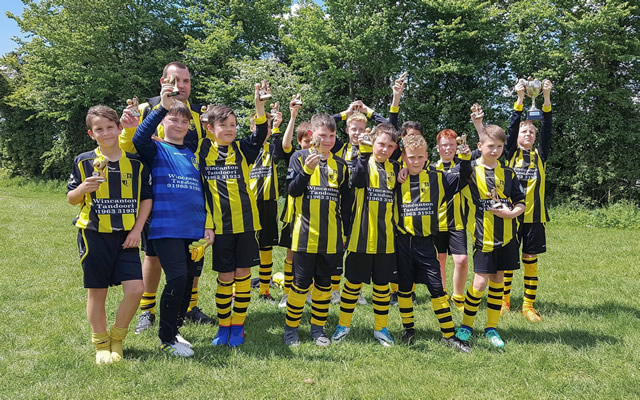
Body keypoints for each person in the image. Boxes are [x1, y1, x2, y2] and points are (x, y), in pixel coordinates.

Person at [120, 61, 214, 334]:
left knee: (191, 257)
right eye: (175, 81)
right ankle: (147, 311)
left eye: (185, 82)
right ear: (163, 81)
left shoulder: (197, 114)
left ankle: (190, 306)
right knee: (153, 254)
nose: (180, 87)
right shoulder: (146, 109)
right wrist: (129, 129)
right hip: (154, 197)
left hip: (188, 196)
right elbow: (130, 146)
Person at [67, 105, 152, 364]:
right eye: (98, 129)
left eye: (109, 127)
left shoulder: (136, 163)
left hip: (127, 236)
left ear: (118, 127)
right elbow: (71, 198)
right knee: (97, 292)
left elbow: (146, 199)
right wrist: (83, 188)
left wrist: (137, 230)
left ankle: (118, 336)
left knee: (136, 289)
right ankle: (101, 343)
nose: (105, 133)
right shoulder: (84, 161)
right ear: (92, 134)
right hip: (94, 235)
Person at [200, 83, 268, 347]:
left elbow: (261, 133)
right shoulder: (202, 150)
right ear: (210, 128)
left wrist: (259, 105)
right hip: (219, 227)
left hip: (247, 225)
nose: (229, 130)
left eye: (233, 125)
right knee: (224, 278)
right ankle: (223, 326)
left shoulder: (242, 150)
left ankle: (238, 327)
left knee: (242, 276)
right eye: (224, 125)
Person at [394, 133, 471, 352]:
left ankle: (449, 335)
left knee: (437, 289)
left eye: (419, 157)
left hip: (427, 243)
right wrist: (399, 167)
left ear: (427, 156)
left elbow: (463, 177)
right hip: (403, 243)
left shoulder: (438, 178)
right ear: (404, 157)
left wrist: (465, 159)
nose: (415, 161)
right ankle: (409, 330)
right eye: (411, 157)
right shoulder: (396, 178)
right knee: (405, 289)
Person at [454, 123, 526, 349]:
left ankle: (491, 327)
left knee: (498, 282)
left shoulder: (508, 172)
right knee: (479, 283)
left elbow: (521, 201)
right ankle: (466, 325)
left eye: (499, 146)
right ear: (480, 146)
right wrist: (464, 157)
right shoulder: (472, 170)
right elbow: (460, 172)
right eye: (490, 146)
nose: (494, 150)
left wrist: (511, 213)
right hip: (483, 237)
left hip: (507, 237)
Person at [283, 114, 350, 347]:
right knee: (300, 285)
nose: (328, 140)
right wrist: (306, 172)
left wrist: (347, 235)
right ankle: (291, 330)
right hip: (304, 236)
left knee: (324, 285)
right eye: (323, 135)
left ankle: (317, 329)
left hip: (332, 238)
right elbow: (292, 191)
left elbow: (347, 204)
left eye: (332, 136)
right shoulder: (299, 157)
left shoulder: (341, 165)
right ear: (312, 135)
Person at [331, 123, 400, 347]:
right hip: (359, 238)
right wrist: (365, 151)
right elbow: (356, 180)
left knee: (382, 287)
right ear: (373, 142)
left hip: (386, 240)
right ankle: (343, 325)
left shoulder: (397, 168)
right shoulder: (361, 161)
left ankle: (381, 329)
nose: (384, 149)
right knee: (352, 284)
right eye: (381, 144)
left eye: (390, 146)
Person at [500, 79, 553, 322]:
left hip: (534, 216)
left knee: (530, 259)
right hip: (510, 215)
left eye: (532, 131)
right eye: (525, 131)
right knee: (509, 260)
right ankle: (504, 301)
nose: (529, 134)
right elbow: (510, 128)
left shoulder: (540, 154)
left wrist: (546, 96)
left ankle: (528, 306)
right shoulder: (509, 152)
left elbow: (548, 127)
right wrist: (520, 99)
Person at [249, 97, 296, 302]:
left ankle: (264, 290)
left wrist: (277, 127)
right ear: (253, 127)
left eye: (268, 127)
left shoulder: (271, 149)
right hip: (248, 204)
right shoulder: (246, 148)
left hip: (267, 203)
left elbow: (280, 151)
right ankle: (235, 288)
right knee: (243, 247)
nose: (265, 130)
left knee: (266, 246)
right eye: (262, 126)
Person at [432, 129, 472, 311]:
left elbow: (467, 172)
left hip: (457, 223)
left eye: (451, 145)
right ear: (437, 147)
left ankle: (458, 296)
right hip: (436, 223)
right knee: (439, 259)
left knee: (462, 260)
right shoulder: (431, 168)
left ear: (457, 147)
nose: (447, 148)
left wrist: (466, 158)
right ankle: (442, 293)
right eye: (443, 145)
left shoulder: (462, 166)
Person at [278, 119, 312, 308]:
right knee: (291, 254)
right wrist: (293, 115)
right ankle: (286, 292)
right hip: (293, 214)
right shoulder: (296, 156)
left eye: (311, 141)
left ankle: (308, 291)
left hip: (312, 213)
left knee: (311, 254)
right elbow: (284, 144)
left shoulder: (323, 157)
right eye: (305, 141)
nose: (308, 145)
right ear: (300, 141)